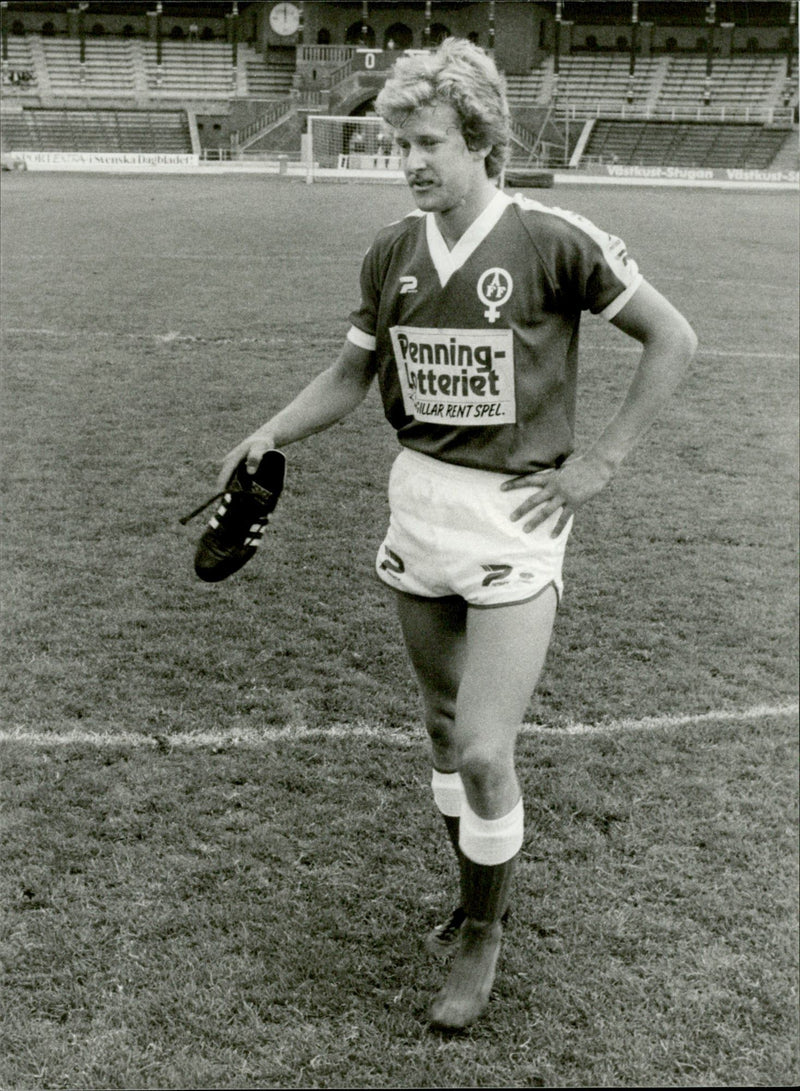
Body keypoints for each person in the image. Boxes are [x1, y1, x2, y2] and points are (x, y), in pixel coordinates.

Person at [216, 38, 697, 1031]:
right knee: (440, 729)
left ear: (478, 139)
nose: (408, 162)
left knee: (482, 748)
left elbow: (671, 336)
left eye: (426, 141)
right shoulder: (391, 253)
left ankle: (484, 932)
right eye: (398, 144)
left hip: (515, 520)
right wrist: (268, 428)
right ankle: (469, 890)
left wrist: (598, 460)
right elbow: (352, 377)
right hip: (418, 508)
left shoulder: (551, 237)